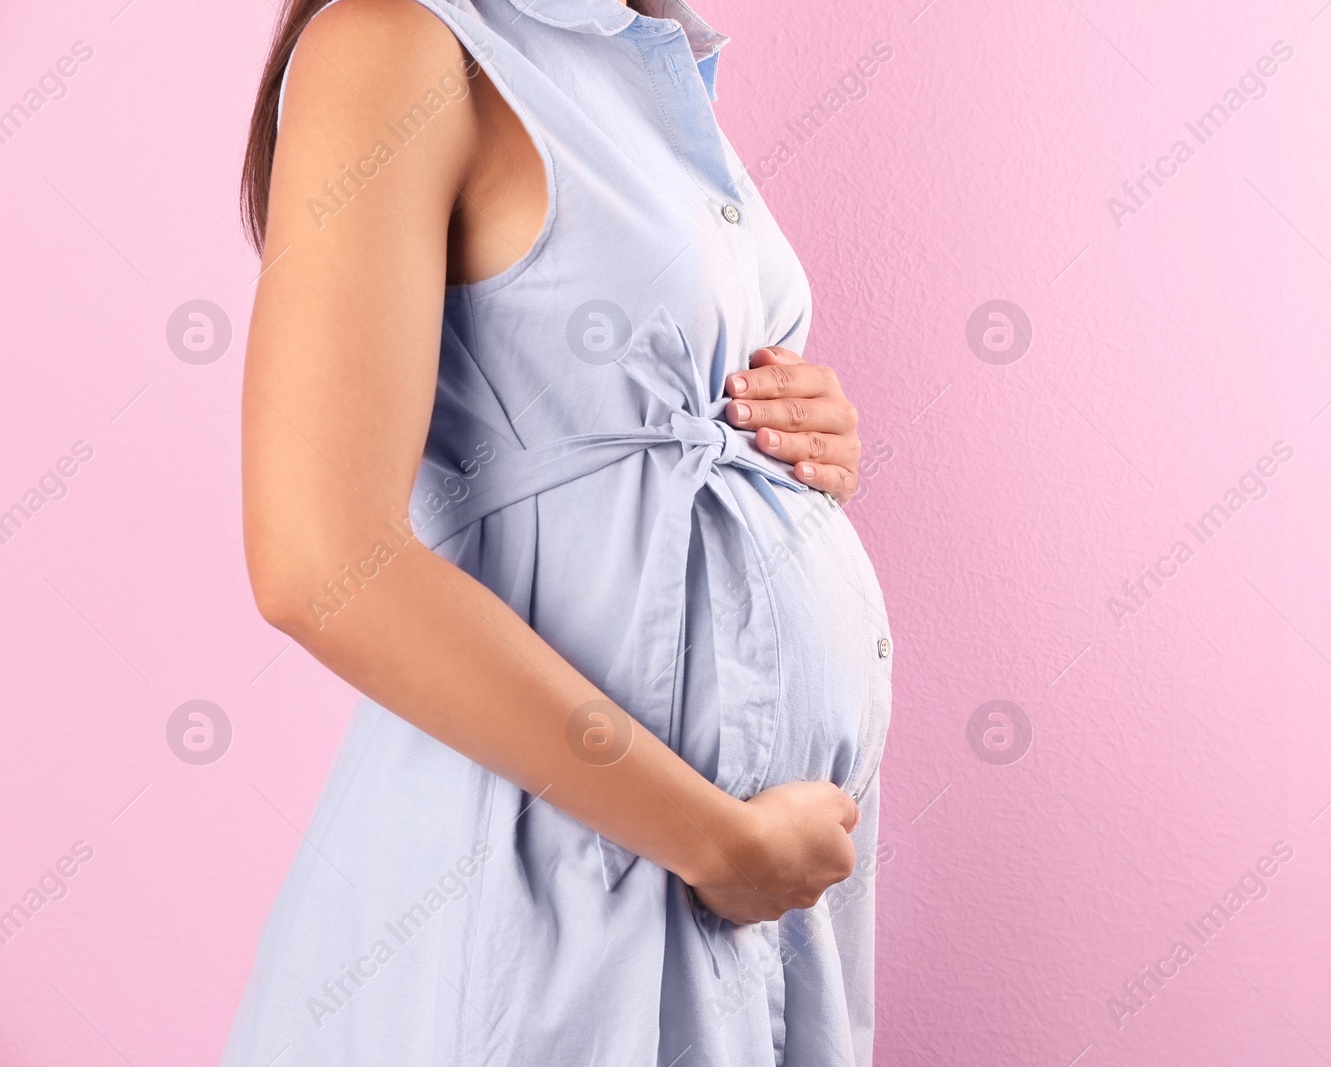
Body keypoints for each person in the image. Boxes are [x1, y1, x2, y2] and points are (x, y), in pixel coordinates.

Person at [224, 0, 894, 1063]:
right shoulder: (396, 40)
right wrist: (718, 841)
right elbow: (319, 562)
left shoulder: (638, 62)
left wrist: (795, 451)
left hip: (745, 911)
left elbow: (599, 427)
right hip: (553, 891)